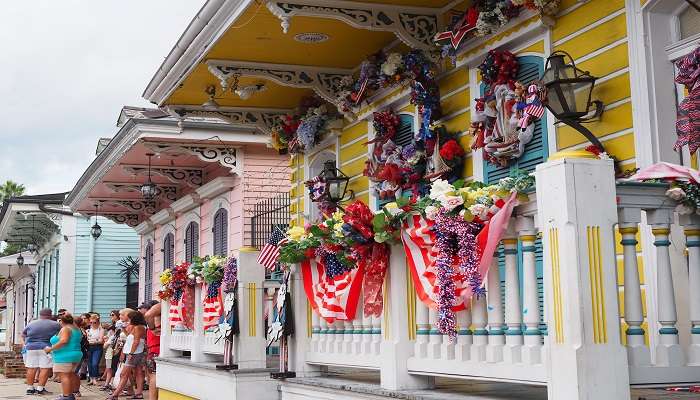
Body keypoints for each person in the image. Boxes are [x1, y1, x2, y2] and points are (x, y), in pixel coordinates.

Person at [109, 310, 147, 400]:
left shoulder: (138, 327)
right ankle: (139, 393)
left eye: (130, 318)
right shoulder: (139, 327)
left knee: (124, 374)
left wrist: (131, 353)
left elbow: (136, 341)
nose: (128, 319)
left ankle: (115, 395)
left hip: (134, 353)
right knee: (138, 373)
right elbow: (130, 338)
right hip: (137, 352)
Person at [21, 308, 60, 395]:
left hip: (30, 347)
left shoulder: (31, 323)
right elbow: (61, 334)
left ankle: (30, 388)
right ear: (50, 314)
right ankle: (40, 389)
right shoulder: (56, 324)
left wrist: (25, 344)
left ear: (40, 314)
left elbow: (23, 334)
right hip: (46, 348)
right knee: (45, 368)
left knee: (31, 368)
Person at [44, 314, 83, 400]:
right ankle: (71, 394)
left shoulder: (66, 329)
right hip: (76, 354)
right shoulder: (77, 329)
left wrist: (50, 349)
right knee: (71, 374)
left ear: (62, 321)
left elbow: (64, 341)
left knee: (64, 376)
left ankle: (66, 396)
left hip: (64, 355)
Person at [144, 301, 161, 400]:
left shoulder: (152, 319)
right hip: (156, 349)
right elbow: (149, 314)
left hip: (153, 349)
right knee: (154, 376)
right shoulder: (156, 318)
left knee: (152, 376)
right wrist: (153, 328)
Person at [86, 314, 105, 385]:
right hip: (89, 347)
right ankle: (91, 378)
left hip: (97, 347)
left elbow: (100, 340)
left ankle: (95, 378)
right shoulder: (88, 330)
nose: (92, 324)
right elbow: (87, 339)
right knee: (89, 364)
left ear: (98, 322)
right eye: (91, 322)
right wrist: (94, 340)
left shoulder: (100, 329)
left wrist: (93, 341)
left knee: (95, 363)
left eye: (94, 322)